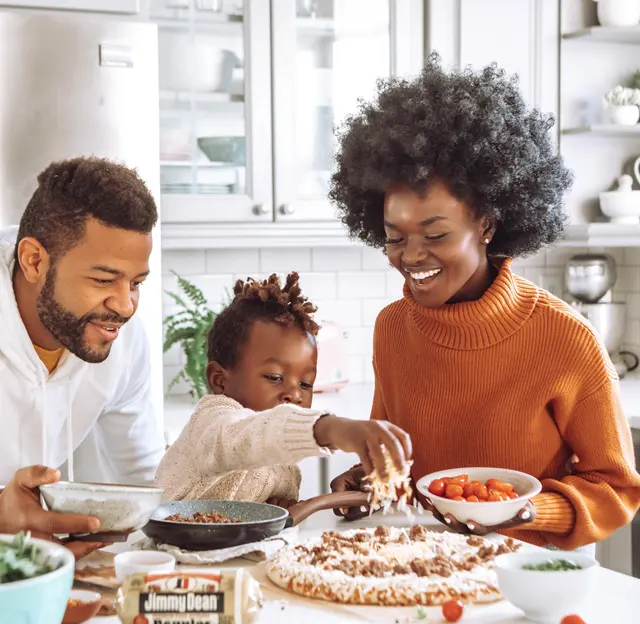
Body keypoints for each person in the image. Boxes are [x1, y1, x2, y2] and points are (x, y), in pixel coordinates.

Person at [328, 54, 640, 551]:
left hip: (523, 591)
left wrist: (522, 510)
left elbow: (617, 489)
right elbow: (405, 468)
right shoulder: (393, 328)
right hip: (418, 572)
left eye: (435, 234)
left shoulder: (566, 339)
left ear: (488, 224)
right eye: (394, 237)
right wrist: (367, 483)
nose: (410, 257)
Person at [0, 156, 165, 557]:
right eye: (104, 280)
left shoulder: (121, 343)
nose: (125, 306)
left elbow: (145, 480)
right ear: (34, 260)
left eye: (137, 283)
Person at [156, 272, 412, 518]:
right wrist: (331, 429)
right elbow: (247, 437)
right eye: (275, 378)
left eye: (306, 384)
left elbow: (263, 495)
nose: (294, 394)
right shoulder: (212, 420)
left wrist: (276, 506)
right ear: (219, 380)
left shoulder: (285, 460)